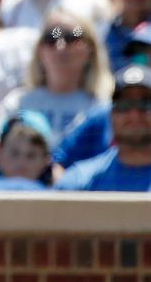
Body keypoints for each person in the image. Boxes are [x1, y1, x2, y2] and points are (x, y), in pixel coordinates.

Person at [0, 11, 115, 143]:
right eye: (51, 38)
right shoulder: (17, 104)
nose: (61, 46)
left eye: (72, 37)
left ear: (90, 48)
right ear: (39, 49)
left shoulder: (102, 107)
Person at [56, 64, 151, 192]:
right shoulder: (78, 182)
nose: (134, 114)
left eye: (145, 104)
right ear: (111, 114)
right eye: (124, 105)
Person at [0, 111, 54, 191]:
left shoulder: (57, 196)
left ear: (46, 160)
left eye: (31, 155)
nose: (22, 162)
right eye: (14, 153)